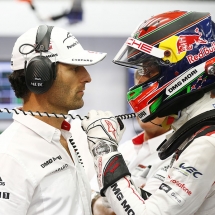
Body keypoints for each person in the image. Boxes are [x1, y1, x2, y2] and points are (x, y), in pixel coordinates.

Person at [82, 10, 215, 214]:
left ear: (181, 65)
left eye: (149, 69)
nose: (141, 79)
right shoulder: (195, 131)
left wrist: (104, 149)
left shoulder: (206, 143)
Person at [0, 24, 107, 215]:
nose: (87, 77)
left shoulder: (64, 136)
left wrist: (96, 203)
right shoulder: (11, 156)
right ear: (39, 76)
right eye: (75, 68)